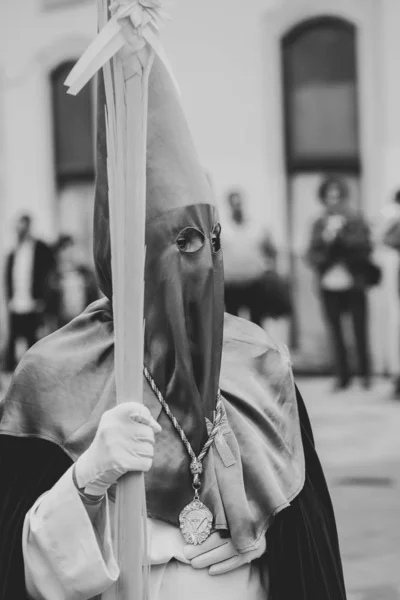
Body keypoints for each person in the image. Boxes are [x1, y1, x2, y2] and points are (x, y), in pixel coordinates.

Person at [0, 47, 346, 600]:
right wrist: (86, 479)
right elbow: (21, 568)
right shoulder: (53, 374)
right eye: (176, 240)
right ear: (122, 252)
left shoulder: (258, 361)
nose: (200, 262)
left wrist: (260, 533)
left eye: (208, 240)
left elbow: (309, 551)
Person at [306, 177, 375, 391]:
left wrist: (341, 234)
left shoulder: (355, 219)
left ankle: (365, 374)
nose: (334, 201)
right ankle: (343, 376)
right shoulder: (319, 223)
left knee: (359, 330)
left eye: (337, 196)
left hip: (354, 283)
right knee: (336, 332)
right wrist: (327, 237)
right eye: (329, 197)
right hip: (329, 284)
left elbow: (365, 248)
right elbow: (312, 255)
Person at [223, 191, 289, 326]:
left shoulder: (257, 228)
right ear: (229, 205)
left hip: (254, 284)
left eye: (239, 203)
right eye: (233, 203)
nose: (237, 206)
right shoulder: (221, 229)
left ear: (243, 203)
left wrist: (271, 272)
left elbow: (272, 251)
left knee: (257, 323)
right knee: (235, 326)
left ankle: (258, 348)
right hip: (231, 286)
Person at [4, 214, 55, 372]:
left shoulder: (40, 248)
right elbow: (9, 276)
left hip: (34, 304)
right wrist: (10, 298)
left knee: (33, 341)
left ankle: (34, 371)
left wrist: (43, 299)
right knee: (14, 341)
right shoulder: (14, 251)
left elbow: (48, 273)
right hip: (17, 304)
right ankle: (14, 372)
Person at [54, 235, 99, 327]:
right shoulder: (54, 277)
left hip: (84, 322)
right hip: (62, 325)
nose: (69, 252)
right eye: (65, 248)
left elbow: (95, 299)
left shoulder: (86, 274)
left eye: (71, 247)